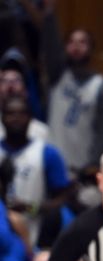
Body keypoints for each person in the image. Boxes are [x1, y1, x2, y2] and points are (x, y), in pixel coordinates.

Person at [41, 8, 103, 173]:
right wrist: (49, 14)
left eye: (82, 42)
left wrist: (95, 163)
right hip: (53, 160)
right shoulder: (57, 76)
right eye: (71, 42)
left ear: (91, 48)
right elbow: (50, 48)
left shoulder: (101, 86)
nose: (76, 46)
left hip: (83, 165)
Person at [0, 95, 72, 247]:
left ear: (30, 119)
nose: (16, 118)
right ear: (2, 118)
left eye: (21, 114)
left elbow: (64, 197)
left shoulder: (47, 152)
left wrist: (30, 208)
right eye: (10, 114)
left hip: (35, 237)